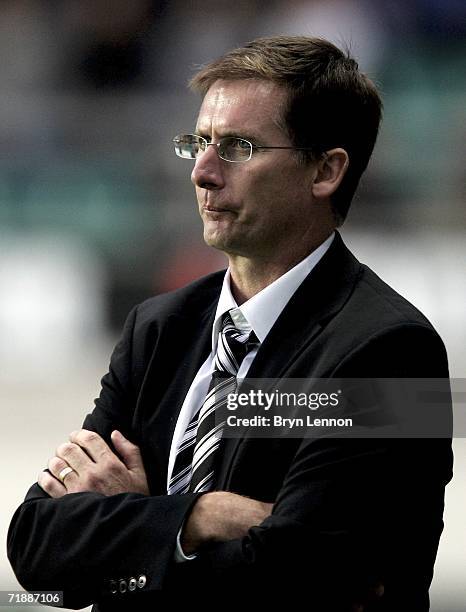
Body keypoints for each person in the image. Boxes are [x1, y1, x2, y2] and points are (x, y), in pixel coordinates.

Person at [8, 36, 452, 610]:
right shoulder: (159, 327)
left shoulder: (395, 350)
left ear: (325, 170)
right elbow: (34, 547)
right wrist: (199, 517)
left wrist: (133, 529)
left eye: (238, 147)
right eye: (199, 143)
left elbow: (306, 582)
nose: (202, 172)